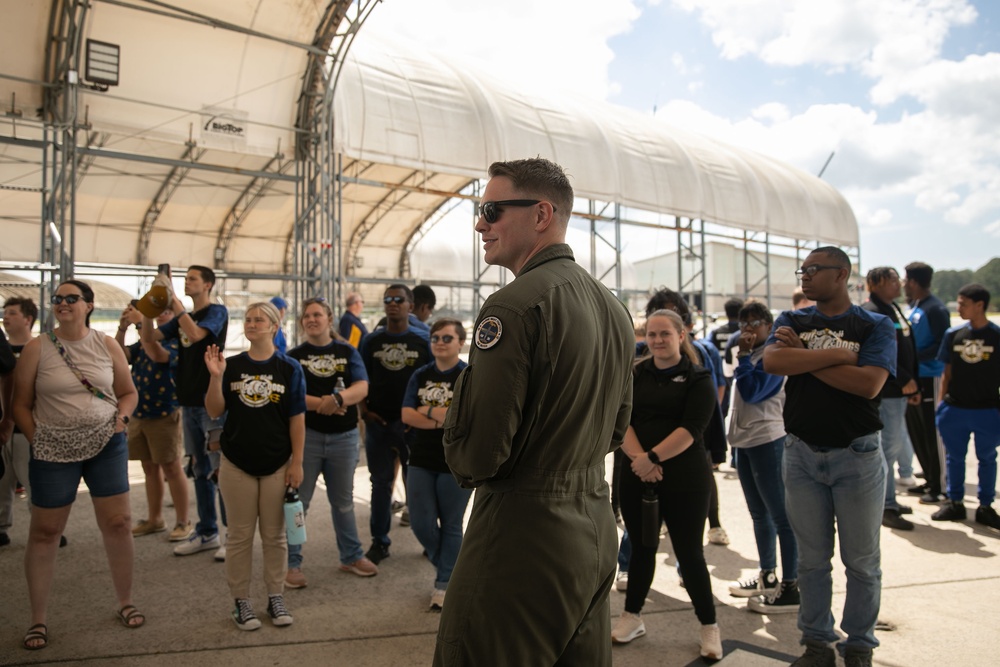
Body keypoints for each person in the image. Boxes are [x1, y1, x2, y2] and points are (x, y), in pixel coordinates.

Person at [435, 158, 634, 666]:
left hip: (522, 536)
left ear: (541, 214)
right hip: (592, 523)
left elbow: (480, 454)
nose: (481, 223)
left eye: (492, 210)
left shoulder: (512, 306)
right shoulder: (613, 308)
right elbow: (615, 427)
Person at [763, 247, 895, 667]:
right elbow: (772, 360)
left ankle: (858, 646)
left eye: (813, 269)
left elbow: (868, 385)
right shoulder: (792, 320)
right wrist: (838, 355)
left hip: (856, 456)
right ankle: (817, 643)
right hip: (801, 454)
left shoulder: (874, 324)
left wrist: (803, 357)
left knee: (861, 562)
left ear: (841, 274)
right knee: (812, 561)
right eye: (802, 269)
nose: (804, 276)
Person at [12, 280, 141, 650]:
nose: (63, 303)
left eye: (72, 298)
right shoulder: (38, 348)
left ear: (88, 305)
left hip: (107, 444)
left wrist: (122, 421)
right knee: (45, 532)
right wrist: (40, 440)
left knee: (118, 523)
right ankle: (38, 619)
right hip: (53, 450)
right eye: (58, 299)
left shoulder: (106, 343)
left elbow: (128, 392)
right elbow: (20, 404)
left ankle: (125, 601)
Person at [613, 309, 724, 660]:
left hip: (685, 477)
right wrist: (639, 459)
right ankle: (632, 616)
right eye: (652, 334)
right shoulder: (634, 373)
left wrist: (653, 459)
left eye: (665, 334)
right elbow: (622, 419)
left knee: (689, 553)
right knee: (642, 548)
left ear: (681, 336)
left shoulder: (698, 377)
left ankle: (709, 626)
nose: (658, 340)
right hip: (637, 472)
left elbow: (693, 428)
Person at [204, 301, 306, 630]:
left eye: (259, 319)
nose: (252, 324)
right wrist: (216, 377)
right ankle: (241, 601)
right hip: (236, 463)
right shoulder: (231, 366)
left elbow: (297, 420)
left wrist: (297, 462)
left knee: (275, 537)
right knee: (240, 536)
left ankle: (275, 596)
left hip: (277, 462)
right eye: (248, 319)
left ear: (274, 326)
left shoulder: (289, 368)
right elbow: (215, 410)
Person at [285, 297, 377, 588]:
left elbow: (361, 387)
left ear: (328, 319)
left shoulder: (346, 351)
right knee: (298, 503)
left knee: (344, 503)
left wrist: (338, 399)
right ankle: (291, 563)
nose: (311, 319)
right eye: (306, 316)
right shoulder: (293, 356)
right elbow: (289, 397)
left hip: (344, 438)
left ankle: (351, 555)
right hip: (306, 439)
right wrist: (322, 404)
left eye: (317, 314)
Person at [142, 265, 229, 558]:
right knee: (199, 469)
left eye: (192, 279)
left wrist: (175, 303)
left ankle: (233, 536)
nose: (186, 283)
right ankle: (207, 532)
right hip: (189, 402)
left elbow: (196, 334)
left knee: (220, 470)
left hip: (212, 404)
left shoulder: (216, 312)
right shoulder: (184, 317)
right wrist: (146, 311)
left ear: (208, 285)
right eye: (185, 279)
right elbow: (151, 339)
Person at [726, 301, 799, 614]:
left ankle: (791, 584)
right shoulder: (749, 353)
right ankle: (767, 575)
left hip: (768, 440)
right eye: (744, 324)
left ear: (769, 326)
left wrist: (743, 357)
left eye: (755, 323)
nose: (749, 330)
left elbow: (755, 391)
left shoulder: (773, 355)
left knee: (782, 516)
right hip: (745, 442)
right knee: (759, 514)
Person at [400, 318, 472, 611]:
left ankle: (444, 585)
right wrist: (444, 417)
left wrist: (426, 410)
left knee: (452, 524)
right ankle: (450, 564)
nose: (440, 343)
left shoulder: (468, 376)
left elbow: (467, 418)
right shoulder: (420, 374)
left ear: (461, 343)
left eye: (447, 338)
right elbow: (406, 415)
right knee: (421, 523)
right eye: (435, 338)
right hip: (420, 458)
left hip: (456, 461)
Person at [358, 285, 431, 564]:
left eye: (399, 299)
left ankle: (428, 540)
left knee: (417, 485)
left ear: (410, 306)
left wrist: (420, 418)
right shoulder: (371, 342)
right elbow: (360, 378)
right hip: (379, 424)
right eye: (388, 299)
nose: (392, 304)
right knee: (380, 484)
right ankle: (379, 542)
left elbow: (431, 382)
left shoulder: (423, 341)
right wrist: (364, 412)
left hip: (412, 427)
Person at [115, 302, 192, 542]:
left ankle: (183, 521)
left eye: (165, 312)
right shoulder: (143, 339)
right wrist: (123, 328)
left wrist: (140, 322)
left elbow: (158, 354)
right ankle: (155, 518)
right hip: (140, 413)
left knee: (172, 466)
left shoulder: (176, 340)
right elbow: (119, 355)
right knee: (149, 467)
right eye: (155, 314)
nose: (159, 317)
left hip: (164, 414)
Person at [930, 283, 1000, 529]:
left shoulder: (996, 335)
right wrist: (941, 406)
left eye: (963, 304)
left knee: (988, 459)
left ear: (980, 305)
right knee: (954, 459)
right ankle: (955, 502)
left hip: (988, 410)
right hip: (955, 409)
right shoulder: (953, 335)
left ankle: (985, 506)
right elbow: (946, 373)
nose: (958, 308)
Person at [861, 268, 919, 531]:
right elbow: (884, 353)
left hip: (901, 390)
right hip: (889, 390)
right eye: (893, 280)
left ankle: (889, 498)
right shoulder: (874, 310)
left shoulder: (892, 307)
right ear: (875, 283)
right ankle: (885, 505)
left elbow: (906, 345)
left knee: (892, 450)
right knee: (886, 450)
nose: (899, 284)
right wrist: (903, 378)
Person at [902, 261, 950, 504]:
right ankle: (930, 478)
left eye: (904, 280)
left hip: (931, 376)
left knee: (933, 431)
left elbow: (943, 344)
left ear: (913, 281)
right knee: (917, 430)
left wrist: (913, 357)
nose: (902, 284)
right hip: (914, 376)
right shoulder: (915, 307)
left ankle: (940, 486)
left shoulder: (935, 309)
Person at [1, 297, 38, 547]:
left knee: (33, 480)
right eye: (5, 313)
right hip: (2, 430)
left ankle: (43, 526)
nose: (6, 317)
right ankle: (1, 527)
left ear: (28, 319)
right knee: (2, 482)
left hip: (26, 429)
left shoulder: (38, 349)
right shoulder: (2, 348)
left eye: (12, 313)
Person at [710, 297, 744, 418]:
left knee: (721, 411)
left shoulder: (716, 332)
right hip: (738, 374)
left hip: (720, 376)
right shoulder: (743, 333)